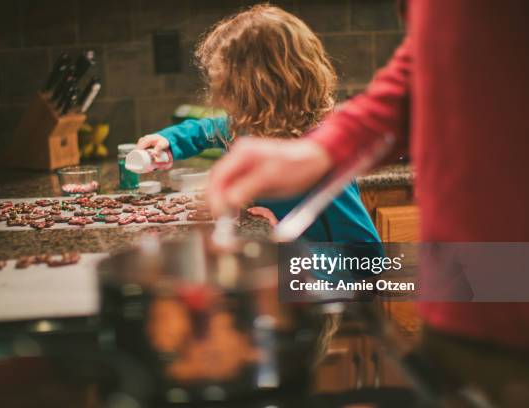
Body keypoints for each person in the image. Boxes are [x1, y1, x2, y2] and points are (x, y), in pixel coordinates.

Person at [207, 0, 529, 350]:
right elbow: (426, 69)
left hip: (503, 301)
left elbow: (371, 264)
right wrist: (328, 150)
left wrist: (290, 263)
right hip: (476, 311)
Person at [137, 5, 380, 246]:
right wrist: (171, 140)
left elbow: (365, 258)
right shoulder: (249, 127)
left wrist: (283, 247)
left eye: (227, 89)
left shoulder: (322, 163)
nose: (220, 98)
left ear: (261, 95)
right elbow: (209, 129)